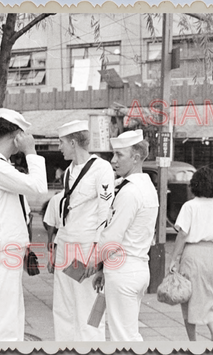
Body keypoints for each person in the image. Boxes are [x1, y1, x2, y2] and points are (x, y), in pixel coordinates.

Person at [0, 108, 47, 342]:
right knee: (0, 326)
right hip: (1, 250)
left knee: (9, 321)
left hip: (3, 249)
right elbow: (38, 187)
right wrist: (31, 152)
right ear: (17, 137)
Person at [90, 130, 158, 341]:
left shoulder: (130, 191)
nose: (113, 160)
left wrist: (89, 264)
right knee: (127, 335)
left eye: (119, 155)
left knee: (124, 338)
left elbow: (111, 238)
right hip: (135, 268)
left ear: (136, 157)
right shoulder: (145, 186)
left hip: (123, 270)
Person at [52, 120, 115, 341]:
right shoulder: (69, 170)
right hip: (66, 245)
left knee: (88, 308)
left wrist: (96, 256)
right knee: (63, 306)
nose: (59, 147)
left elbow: (105, 212)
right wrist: (56, 247)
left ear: (72, 142)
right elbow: (66, 212)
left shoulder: (101, 168)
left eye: (61, 143)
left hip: (85, 247)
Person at [169, 167, 213, 341]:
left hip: (193, 254)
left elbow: (182, 234)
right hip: (212, 254)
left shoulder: (189, 206)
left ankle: (193, 341)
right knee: (211, 295)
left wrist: (173, 259)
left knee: (189, 298)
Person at [43, 190, 65, 274]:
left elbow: (50, 223)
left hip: (59, 239)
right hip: (77, 239)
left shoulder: (56, 198)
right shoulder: (81, 197)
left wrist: (49, 240)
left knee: (58, 271)